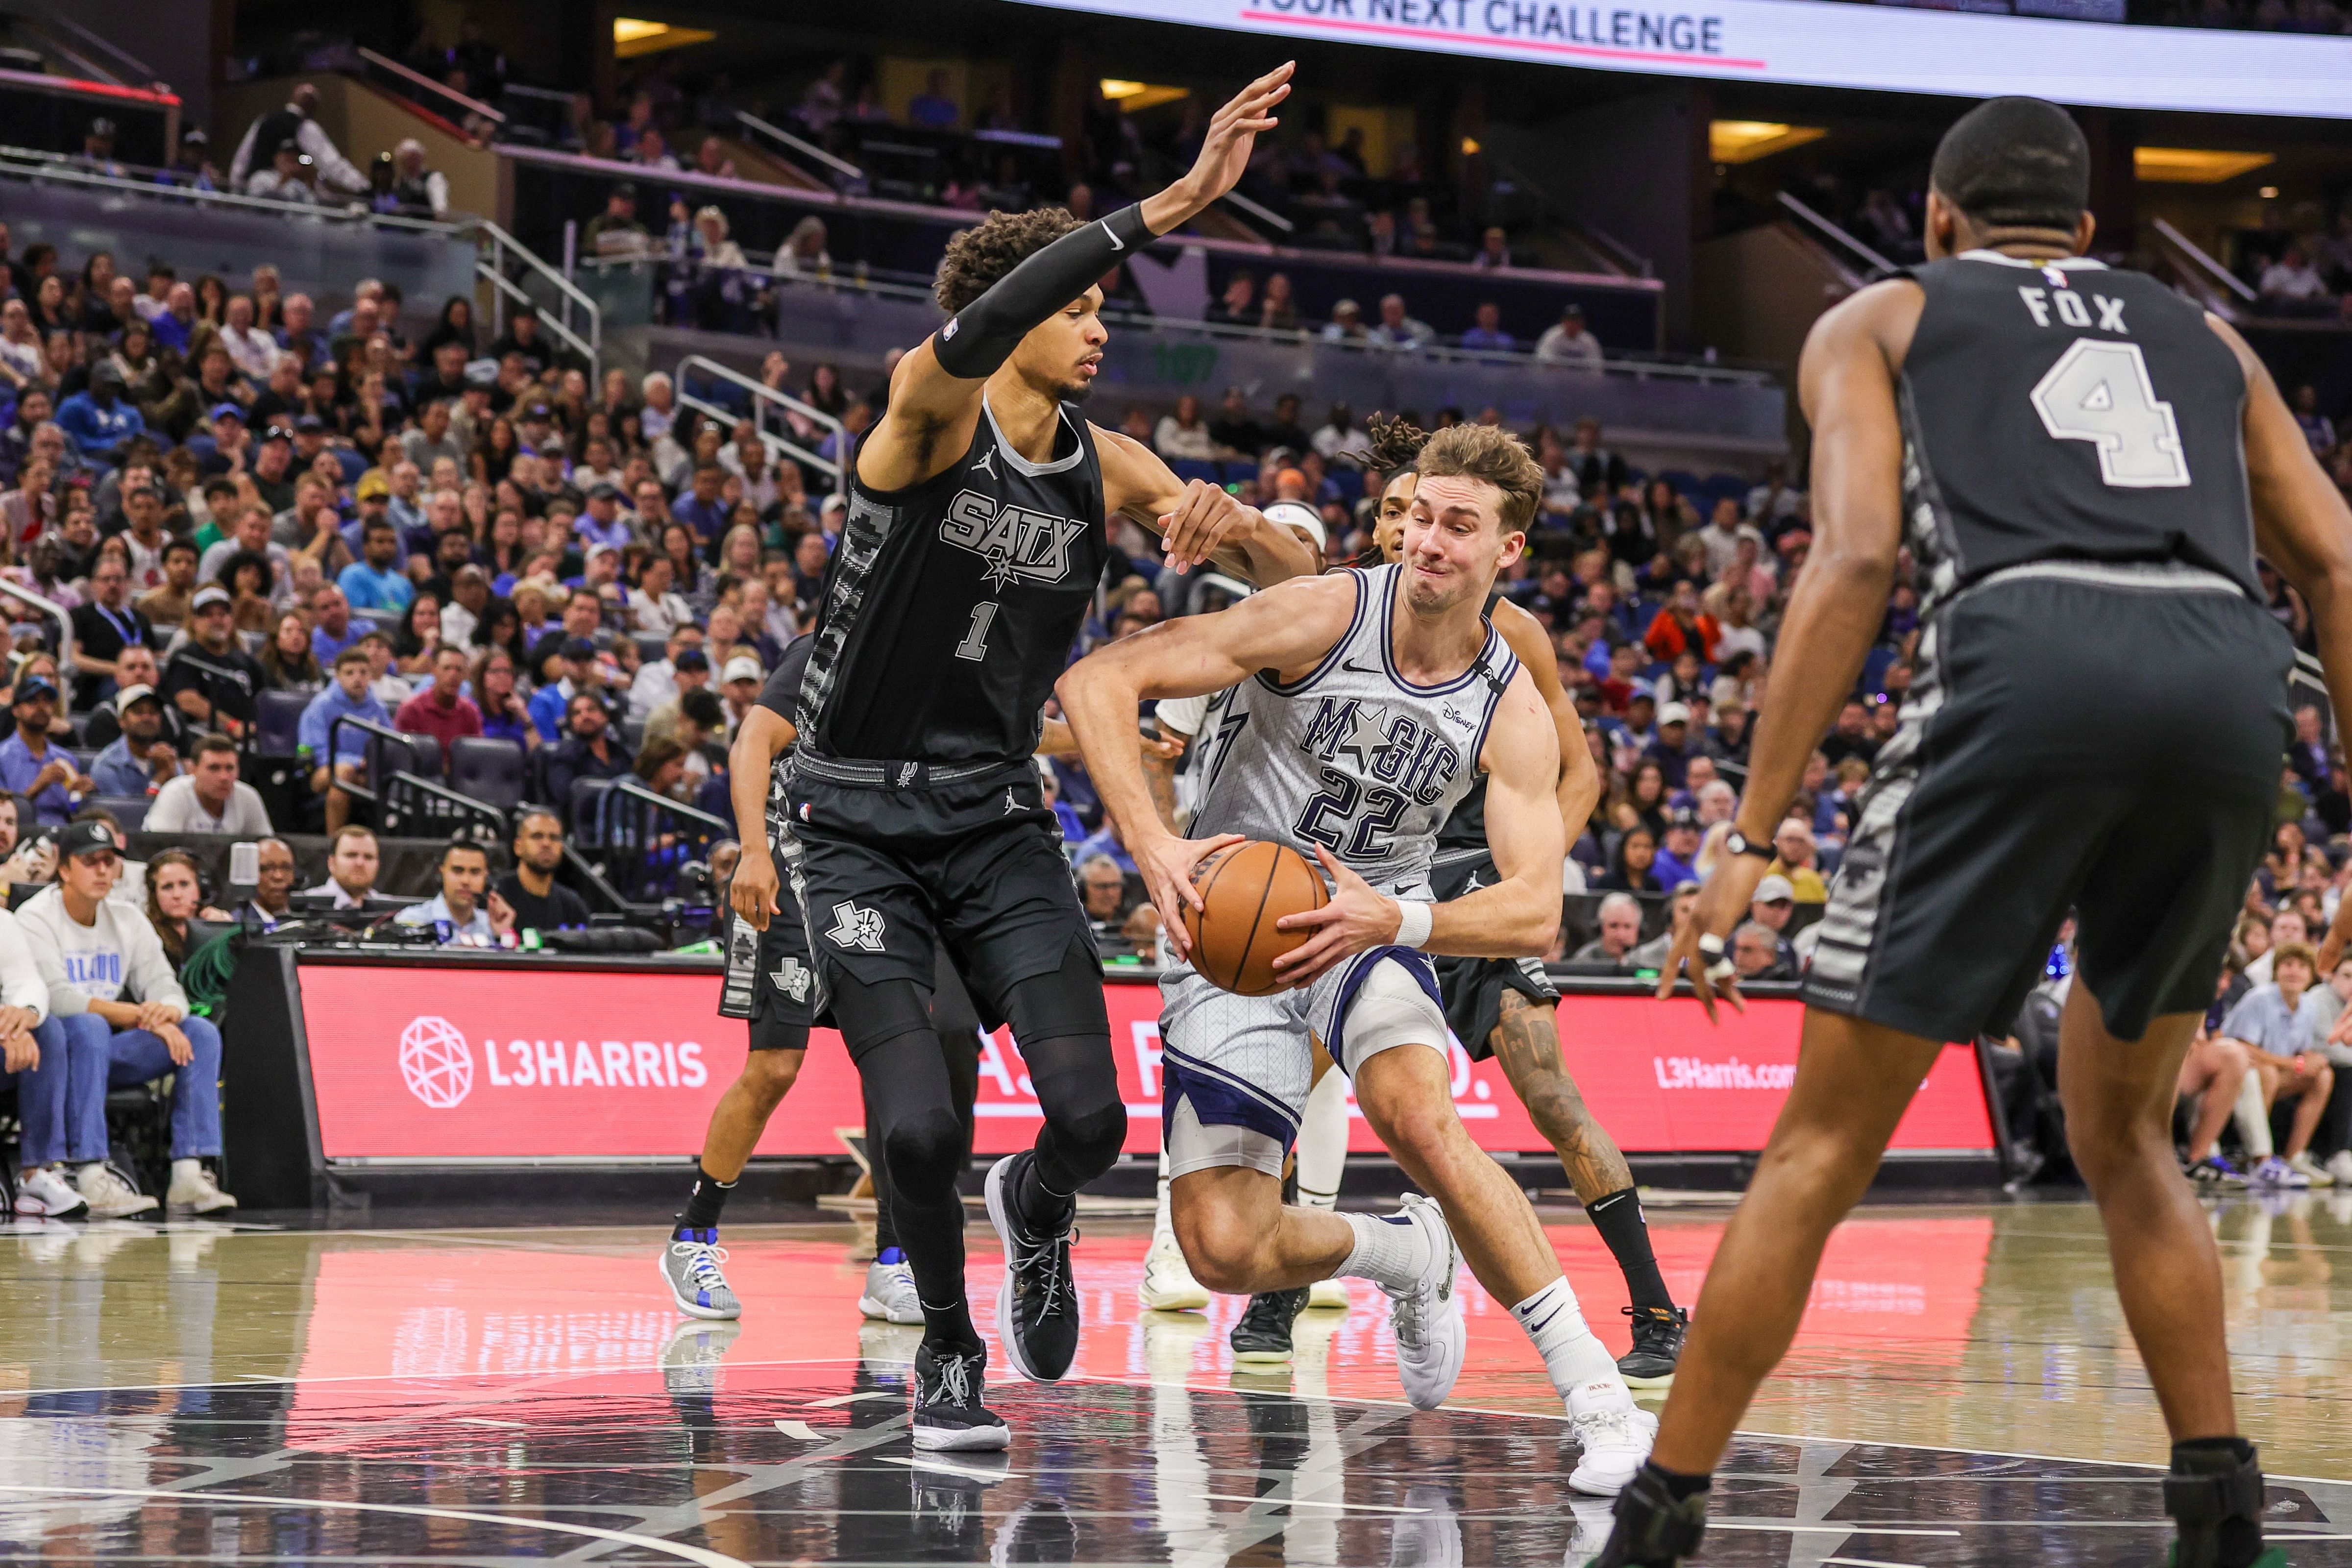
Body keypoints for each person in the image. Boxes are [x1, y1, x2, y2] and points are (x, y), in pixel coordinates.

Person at [1600, 98, 2333, 1568]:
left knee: (1817, 1142)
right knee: (2129, 1130)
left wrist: (1746, 836)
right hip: (2223, 669)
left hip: (2027, 647)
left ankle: (1657, 1512)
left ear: (1936, 218)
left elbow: (1860, 553)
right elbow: (2332, 550)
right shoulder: (2209, 335)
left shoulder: (1878, 315)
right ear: (2084, 229)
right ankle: (2220, 1505)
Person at [776, 65, 1315, 1453]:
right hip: (849, 823)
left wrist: (1232, 518)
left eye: (1099, 311)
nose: (1097, 330)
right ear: (1012, 317)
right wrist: (1175, 204)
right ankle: (948, 1348)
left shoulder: (1109, 459)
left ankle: (1040, 1212)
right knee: (912, 1131)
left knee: (1089, 1121)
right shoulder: (925, 418)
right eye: (1078, 308)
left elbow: (1288, 564)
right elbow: (976, 333)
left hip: (998, 817)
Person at [1061, 420, 1654, 1494]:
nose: (1427, 541)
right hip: (1231, 932)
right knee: (1223, 1251)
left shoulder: (1507, 700)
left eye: (1458, 526)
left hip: (1368, 922)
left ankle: (1596, 1394)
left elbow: (1533, 911)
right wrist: (1153, 843)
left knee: (1419, 1115)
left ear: (1507, 551)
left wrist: (1400, 922)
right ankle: (1404, 1254)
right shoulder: (1324, 611)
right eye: (1420, 514)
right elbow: (1103, 680)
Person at [1197, 417, 1686, 1377]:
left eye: (1420, 514)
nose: (1400, 531)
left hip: (1466, 885)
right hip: (1361, 887)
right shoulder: (1343, 613)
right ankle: (1289, 1288)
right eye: (1392, 513)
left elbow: (1581, 775)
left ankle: (1657, 1310)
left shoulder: (1512, 637)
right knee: (1296, 1076)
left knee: (1548, 1091)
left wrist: (1523, 876)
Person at [22, 820, 235, 1215]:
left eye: (109, 861)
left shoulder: (128, 919)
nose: (103, 870)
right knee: (88, 1026)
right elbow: (59, 999)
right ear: (64, 869)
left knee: (200, 1032)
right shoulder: (35, 917)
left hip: (106, 1050)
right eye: (90, 862)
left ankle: (189, 1173)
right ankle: (91, 1173)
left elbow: (166, 986)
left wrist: (168, 1012)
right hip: (57, 1054)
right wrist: (143, 1015)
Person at [2215, 940, 2336, 1187]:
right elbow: (2245, 1047)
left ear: (2311, 975)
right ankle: (2255, 1156)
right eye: (2288, 964)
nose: (2294, 971)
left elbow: (2300, 1052)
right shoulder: (2259, 999)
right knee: (2267, 1073)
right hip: (2238, 1073)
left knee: (2324, 1075)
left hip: (2278, 1072)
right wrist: (2294, 1064)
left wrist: (2313, 1060)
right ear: (2276, 971)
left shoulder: (2309, 1007)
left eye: (2302, 967)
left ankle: (2295, 1156)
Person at [0, 898, 89, 1218]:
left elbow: (28, 983)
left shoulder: (3, 922)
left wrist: (22, 1018)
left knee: (46, 1028)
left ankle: (38, 1173)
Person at [161, 587, 267, 740]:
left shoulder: (247, 662)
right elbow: (187, 700)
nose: (217, 620)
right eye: (209, 615)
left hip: (248, 739)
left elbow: (266, 699)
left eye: (223, 614)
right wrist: (231, 725)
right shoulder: (185, 658)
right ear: (195, 622)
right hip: (202, 738)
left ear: (231, 620)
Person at [0, 676, 91, 825]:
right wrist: (37, 787)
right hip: (20, 832)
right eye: (33, 701)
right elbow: (2, 814)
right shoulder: (3, 757)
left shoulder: (66, 759)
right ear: (15, 710)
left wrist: (78, 795)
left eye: (47, 701)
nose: (41, 706)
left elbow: (72, 810)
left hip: (62, 834)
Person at [70, 553, 153, 710]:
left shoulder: (140, 618)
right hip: (100, 685)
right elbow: (73, 658)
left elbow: (154, 654)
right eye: (106, 579)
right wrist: (119, 670)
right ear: (94, 584)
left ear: (128, 583)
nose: (113, 585)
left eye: (118, 579)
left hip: (143, 681)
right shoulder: (80, 615)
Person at [394, 837, 514, 946]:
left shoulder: (493, 925)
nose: (466, 881)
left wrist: (501, 937)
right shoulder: (411, 921)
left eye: (475, 872)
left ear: (486, 876)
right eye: (458, 871)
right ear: (441, 873)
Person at [146, 735, 272, 836]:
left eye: (230, 768)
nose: (224, 777)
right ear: (193, 770)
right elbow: (160, 850)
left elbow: (267, 845)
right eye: (214, 768)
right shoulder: (174, 793)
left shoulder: (248, 797)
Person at [494, 808, 594, 933]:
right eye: (537, 836)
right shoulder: (497, 895)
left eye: (554, 838)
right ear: (518, 847)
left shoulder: (573, 905)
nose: (546, 843)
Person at [90, 684, 179, 799]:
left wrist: (172, 778)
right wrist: (158, 781)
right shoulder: (107, 765)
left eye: (153, 712)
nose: (147, 718)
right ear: (122, 721)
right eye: (138, 712)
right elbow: (129, 813)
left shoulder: (167, 759)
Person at [394, 643, 484, 757]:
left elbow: (476, 757)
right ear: (434, 671)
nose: (453, 675)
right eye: (447, 668)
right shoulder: (411, 709)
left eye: (459, 669)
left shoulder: (470, 712)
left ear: (465, 674)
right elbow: (401, 756)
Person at [305, 824, 380, 909]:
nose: (360, 863)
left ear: (377, 865)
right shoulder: (305, 905)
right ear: (332, 863)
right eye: (351, 855)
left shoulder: (395, 912)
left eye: (368, 857)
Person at [239, 837, 298, 927]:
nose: (279, 876)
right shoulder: (237, 926)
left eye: (286, 867)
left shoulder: (310, 924)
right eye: (267, 868)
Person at [1535, 303, 1604, 368]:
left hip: (1581, 379)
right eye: (1570, 320)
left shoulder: (1589, 340)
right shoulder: (1552, 336)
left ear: (1582, 322)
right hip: (1554, 379)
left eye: (1576, 321)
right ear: (1563, 321)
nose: (1573, 324)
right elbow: (1544, 360)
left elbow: (1597, 367)